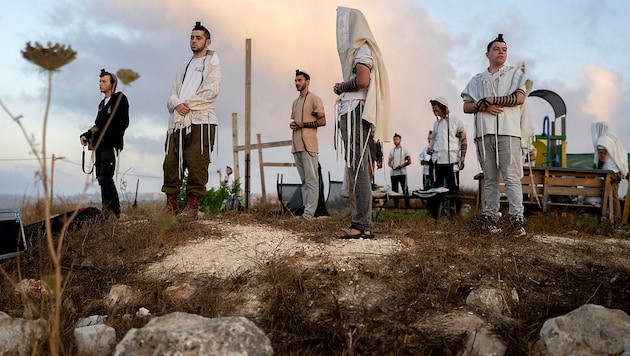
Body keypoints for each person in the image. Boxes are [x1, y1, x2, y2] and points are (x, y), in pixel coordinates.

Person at [461, 33, 533, 237]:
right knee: (490, 177)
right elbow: (466, 106)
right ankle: (491, 217)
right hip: (484, 134)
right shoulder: (477, 80)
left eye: (504, 49)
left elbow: (520, 98)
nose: (501, 52)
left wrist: (492, 99)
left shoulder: (514, 75)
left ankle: (516, 219)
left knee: (511, 177)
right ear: (487, 54)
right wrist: (483, 106)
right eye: (496, 49)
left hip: (508, 131)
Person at [332, 6, 391, 239]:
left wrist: (341, 87)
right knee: (357, 168)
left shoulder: (363, 48)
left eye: (344, 24)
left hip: (356, 111)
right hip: (353, 111)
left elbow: (363, 80)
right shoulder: (359, 49)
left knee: (358, 169)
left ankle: (362, 225)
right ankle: (361, 223)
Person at [160, 21, 222, 222]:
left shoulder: (213, 63)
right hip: (177, 121)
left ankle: (193, 207)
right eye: (192, 37)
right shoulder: (184, 64)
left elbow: (211, 90)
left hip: (200, 121)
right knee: (171, 162)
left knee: (196, 162)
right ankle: (171, 206)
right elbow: (173, 91)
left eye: (198, 38)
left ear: (208, 41)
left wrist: (188, 104)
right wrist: (177, 104)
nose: (194, 41)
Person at [80, 69, 129, 218]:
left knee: (107, 177)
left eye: (104, 81)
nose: (100, 84)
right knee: (101, 179)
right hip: (99, 146)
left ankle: (116, 212)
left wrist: (108, 137)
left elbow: (123, 123)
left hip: (110, 145)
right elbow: (98, 125)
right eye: (100, 81)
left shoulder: (119, 98)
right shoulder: (102, 104)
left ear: (112, 84)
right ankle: (106, 212)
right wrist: (86, 135)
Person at [289, 69, 326, 222]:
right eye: (296, 81)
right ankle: (306, 212)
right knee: (304, 182)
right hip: (296, 146)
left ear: (307, 82)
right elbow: (296, 121)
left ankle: (309, 215)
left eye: (300, 80)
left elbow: (323, 121)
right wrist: (294, 125)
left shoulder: (315, 99)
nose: (297, 83)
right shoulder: (295, 102)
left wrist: (303, 124)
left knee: (312, 181)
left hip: (309, 146)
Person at [427, 97, 467, 193]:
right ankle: (437, 208)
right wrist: (430, 148)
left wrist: (462, 157)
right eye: (433, 111)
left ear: (443, 107)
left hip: (452, 159)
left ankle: (455, 207)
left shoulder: (457, 120)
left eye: (437, 110)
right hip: (438, 159)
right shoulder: (436, 123)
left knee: (453, 188)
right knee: (436, 188)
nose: (436, 113)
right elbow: (433, 139)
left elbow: (464, 140)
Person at [591, 121, 628, 222]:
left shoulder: (602, 141)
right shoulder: (613, 139)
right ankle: (617, 218)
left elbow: (602, 158)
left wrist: (598, 170)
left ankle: (611, 217)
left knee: (604, 194)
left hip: (609, 173)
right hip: (617, 172)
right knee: (614, 195)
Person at [388, 133, 411, 207]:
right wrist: (392, 166)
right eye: (394, 139)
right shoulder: (391, 151)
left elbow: (409, 161)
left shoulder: (405, 150)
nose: (395, 141)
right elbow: (389, 162)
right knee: (395, 191)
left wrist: (401, 166)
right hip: (394, 173)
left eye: (397, 139)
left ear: (400, 140)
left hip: (402, 173)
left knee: (405, 189)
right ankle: (396, 206)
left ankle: (407, 206)